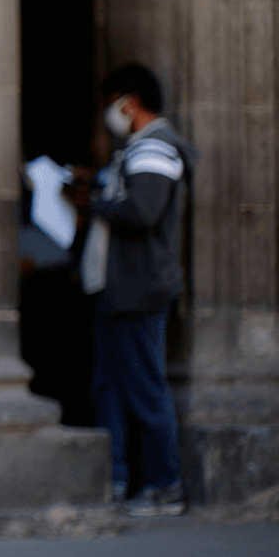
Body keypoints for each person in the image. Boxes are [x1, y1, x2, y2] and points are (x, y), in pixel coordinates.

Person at [81, 63, 196, 516]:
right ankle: (118, 479)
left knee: (145, 388)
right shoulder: (137, 149)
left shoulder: (154, 147)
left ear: (128, 104)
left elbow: (143, 211)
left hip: (139, 287)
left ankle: (165, 487)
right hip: (118, 288)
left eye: (111, 105)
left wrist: (95, 204)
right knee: (110, 386)